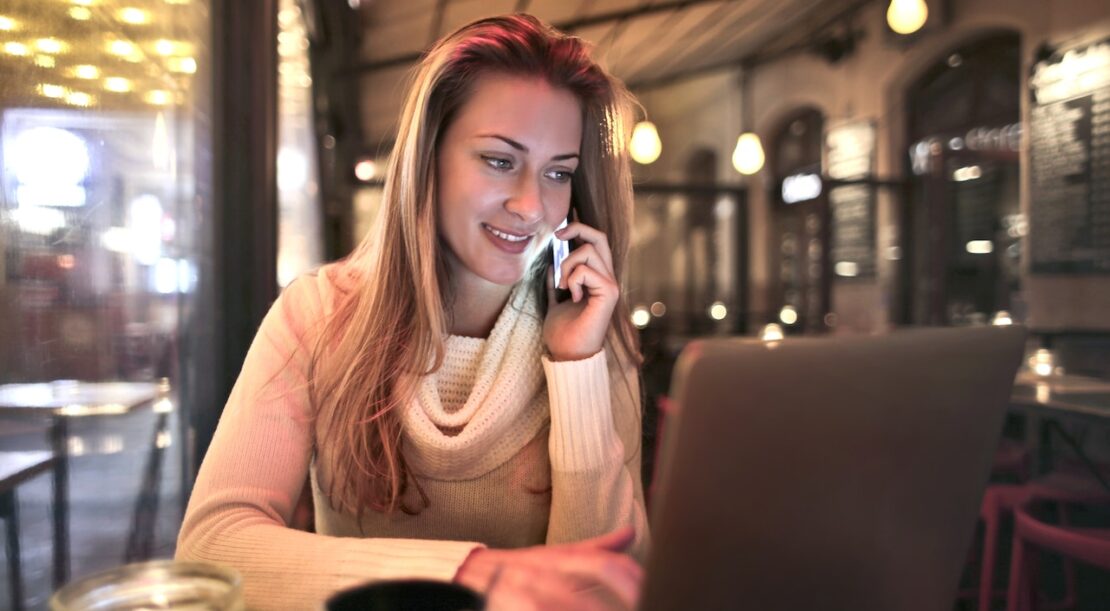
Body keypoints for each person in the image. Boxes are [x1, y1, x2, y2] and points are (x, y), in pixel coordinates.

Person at [176, 13, 648, 610]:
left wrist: (577, 366)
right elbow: (212, 549)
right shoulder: (317, 314)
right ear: (429, 157)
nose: (532, 206)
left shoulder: (596, 334)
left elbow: (605, 587)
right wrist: (466, 577)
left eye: (559, 172)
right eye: (499, 160)